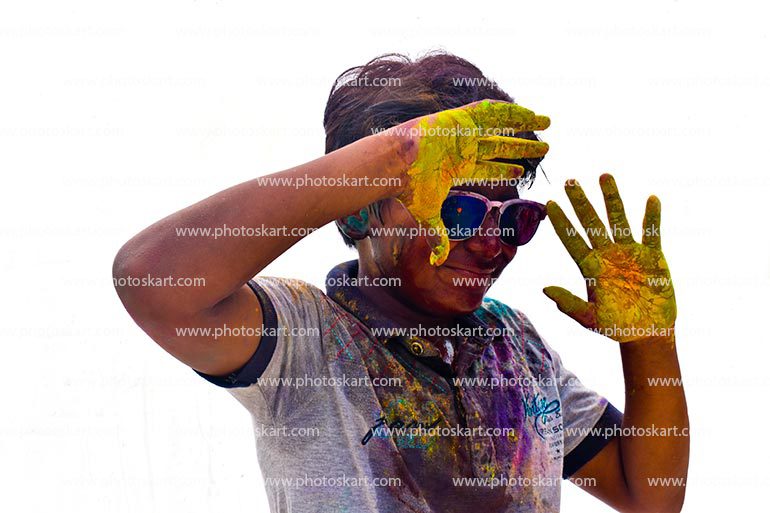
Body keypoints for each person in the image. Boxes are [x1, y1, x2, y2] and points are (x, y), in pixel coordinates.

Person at [113, 52, 689, 513]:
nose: (491, 244)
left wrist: (649, 342)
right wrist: (396, 155)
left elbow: (652, 495)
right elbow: (152, 280)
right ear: (361, 211)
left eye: (514, 218)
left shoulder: (518, 350)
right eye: (457, 210)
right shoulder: (306, 340)